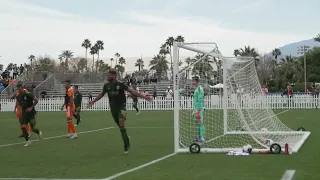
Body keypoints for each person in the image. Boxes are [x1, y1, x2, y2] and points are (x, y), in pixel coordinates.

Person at [88, 70, 151, 153]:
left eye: (109, 75)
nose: (107, 77)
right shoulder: (106, 85)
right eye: (107, 75)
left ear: (114, 76)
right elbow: (101, 94)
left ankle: (126, 145)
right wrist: (93, 101)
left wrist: (144, 97)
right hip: (113, 109)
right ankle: (126, 138)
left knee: (121, 123)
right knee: (121, 128)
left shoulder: (121, 84)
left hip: (122, 108)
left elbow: (132, 91)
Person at [192, 76, 205, 143]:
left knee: (200, 122)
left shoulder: (199, 89)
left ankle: (202, 137)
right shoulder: (197, 89)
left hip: (199, 109)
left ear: (196, 81)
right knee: (198, 123)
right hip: (196, 109)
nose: (192, 82)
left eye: (193, 81)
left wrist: (199, 110)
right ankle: (199, 136)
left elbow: (200, 100)